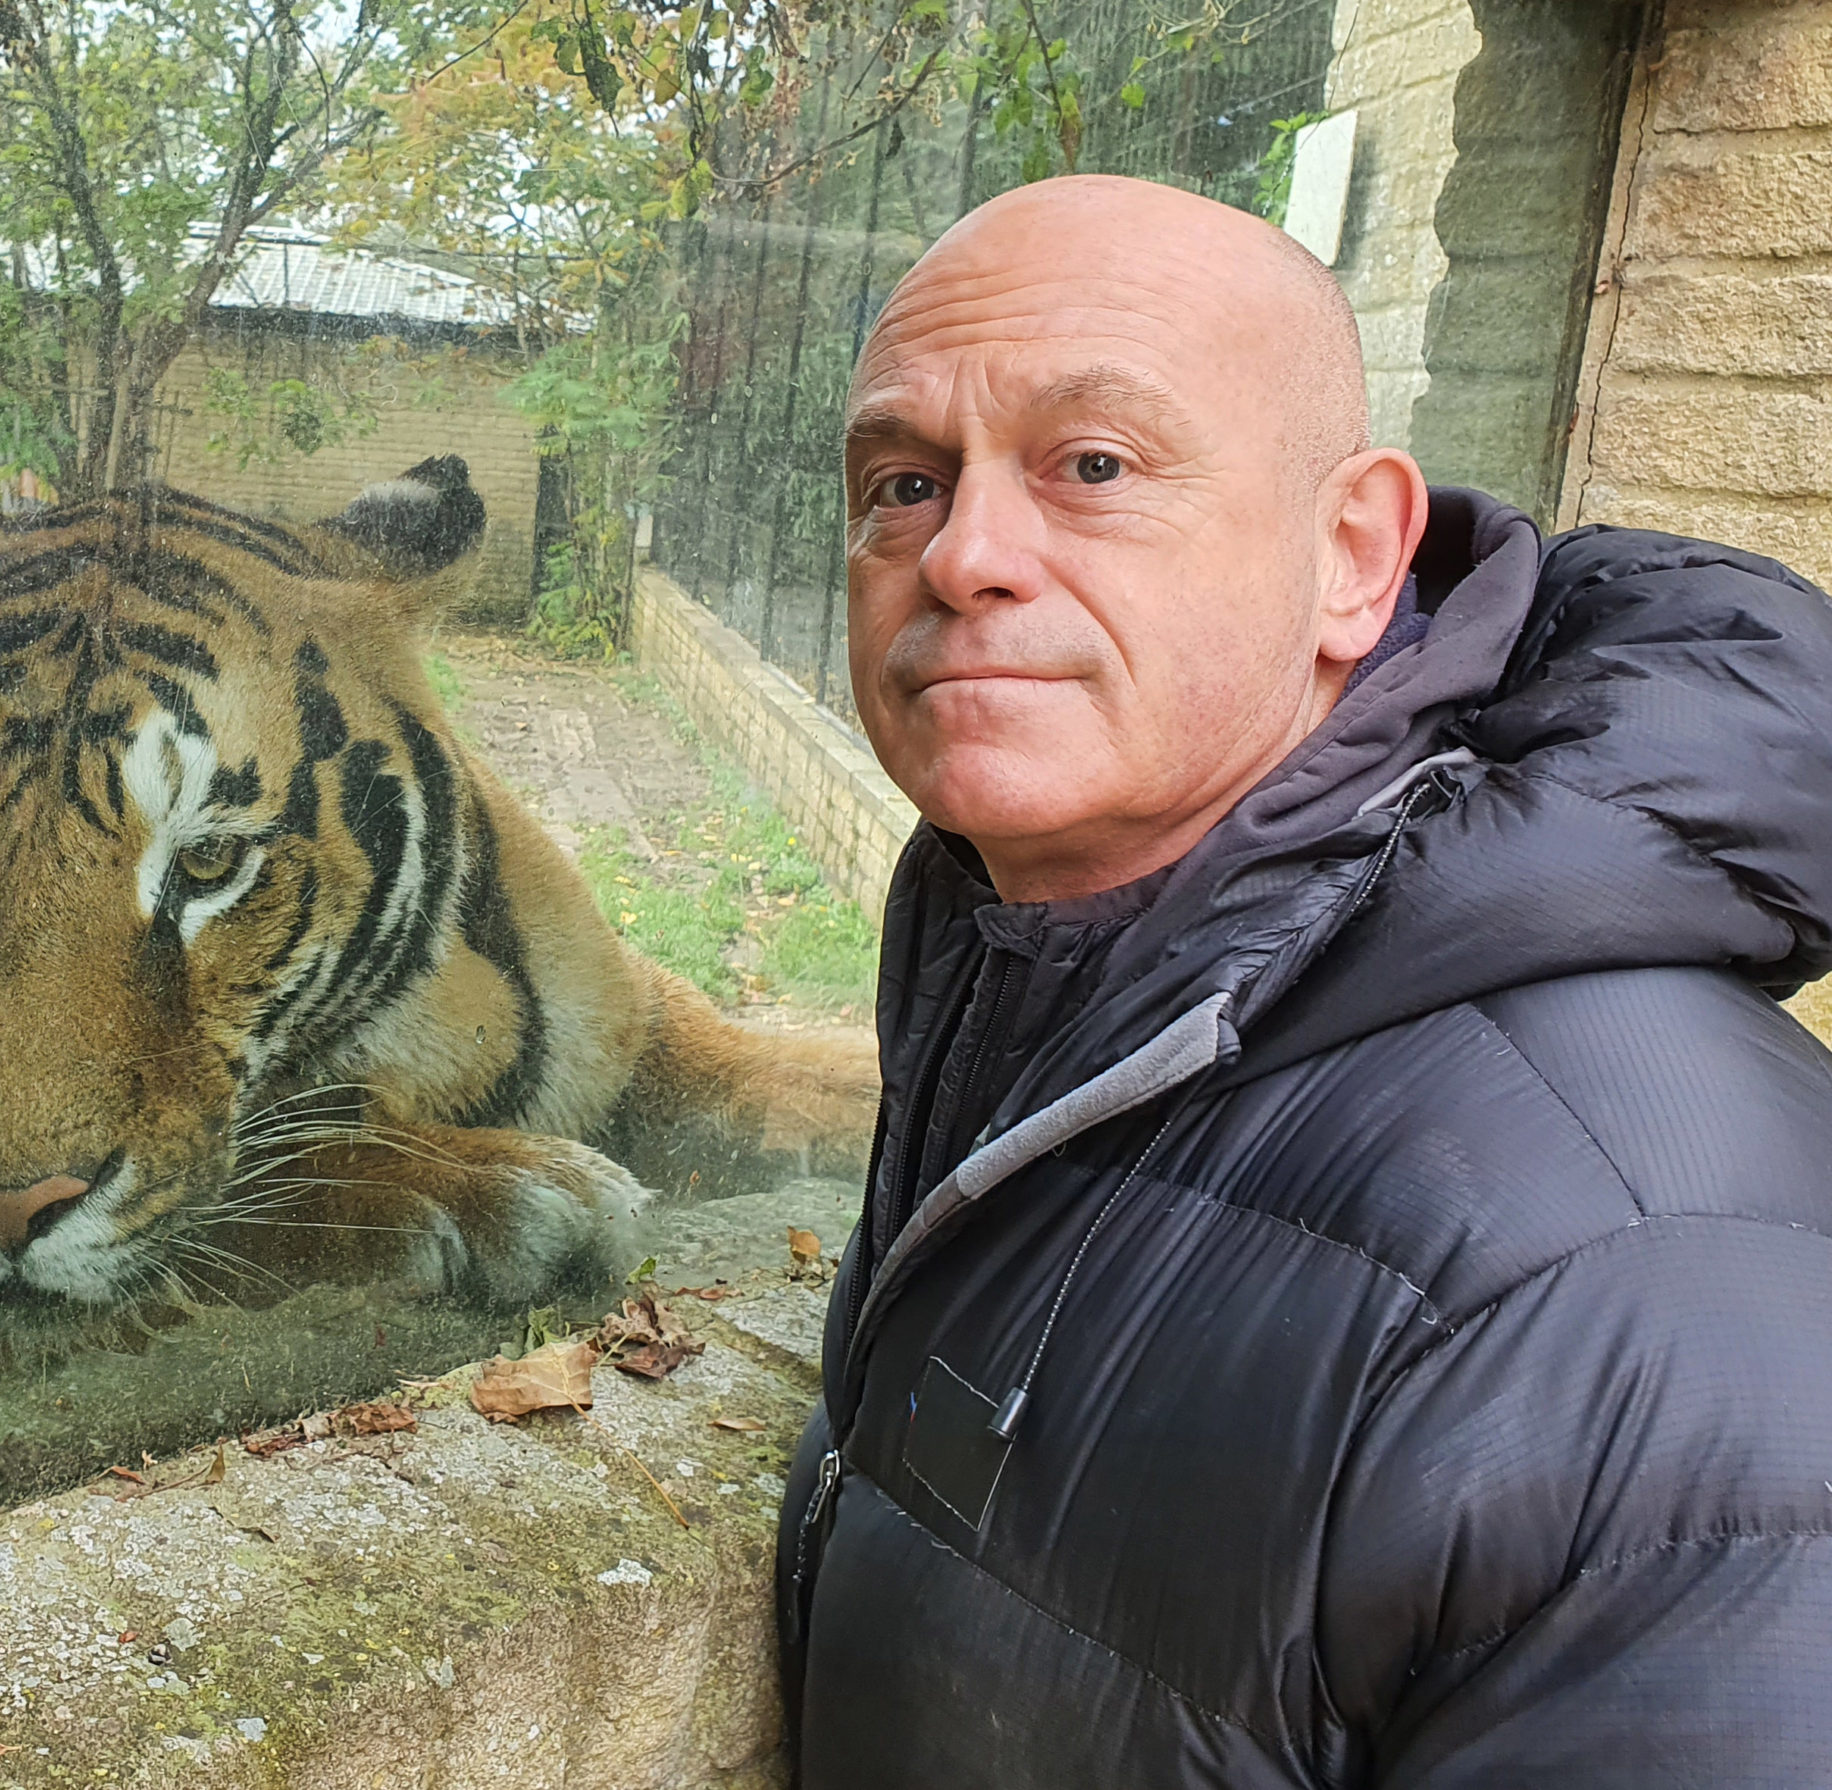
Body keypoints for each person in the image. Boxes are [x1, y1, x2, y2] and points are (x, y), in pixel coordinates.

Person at [777, 173, 1832, 1786]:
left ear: (1353, 556)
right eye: (905, 480)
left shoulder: (1654, 1287)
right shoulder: (1047, 962)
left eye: (1095, 465)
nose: (965, 553)